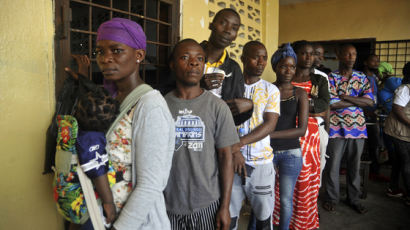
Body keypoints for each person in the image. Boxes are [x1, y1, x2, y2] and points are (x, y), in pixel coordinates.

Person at [93, 18, 175, 229]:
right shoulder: (109, 99)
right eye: (100, 52)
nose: (106, 59)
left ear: (139, 55)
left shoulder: (150, 106)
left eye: (116, 50)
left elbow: (151, 184)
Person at [163, 39, 238, 230]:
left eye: (199, 58)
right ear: (172, 64)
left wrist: (225, 206)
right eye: (185, 57)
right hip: (167, 205)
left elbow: (225, 157)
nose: (194, 62)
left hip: (207, 204)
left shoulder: (217, 107)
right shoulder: (160, 105)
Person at [228, 41, 280, 230]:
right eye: (255, 56)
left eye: (264, 57)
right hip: (231, 164)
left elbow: (270, 124)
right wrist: (233, 151)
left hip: (261, 164)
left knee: (264, 221)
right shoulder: (231, 87)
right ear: (242, 59)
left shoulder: (270, 90)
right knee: (229, 219)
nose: (261, 61)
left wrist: (238, 144)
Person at [279, 40, 329, 230]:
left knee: (306, 180)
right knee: (284, 181)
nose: (309, 57)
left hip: (311, 135)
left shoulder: (319, 80)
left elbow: (323, 107)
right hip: (287, 132)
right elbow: (278, 107)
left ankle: (303, 220)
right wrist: (308, 107)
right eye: (304, 53)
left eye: (312, 54)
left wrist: (298, 108)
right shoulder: (286, 76)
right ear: (294, 55)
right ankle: (283, 219)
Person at [323, 44, 374, 214]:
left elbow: (370, 101)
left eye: (354, 54)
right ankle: (332, 198)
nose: (352, 57)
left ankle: (354, 199)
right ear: (339, 56)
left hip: (358, 128)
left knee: (354, 165)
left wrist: (345, 97)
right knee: (332, 166)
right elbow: (332, 103)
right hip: (336, 128)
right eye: (348, 54)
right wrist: (356, 99)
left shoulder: (361, 77)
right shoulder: (331, 78)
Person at [270, 43, 309, 230]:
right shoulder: (266, 90)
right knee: (264, 197)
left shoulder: (300, 93)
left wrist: (269, 134)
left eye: (292, 67)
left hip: (291, 153)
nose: (288, 70)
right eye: (284, 66)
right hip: (267, 152)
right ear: (275, 67)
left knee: (285, 199)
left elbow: (301, 130)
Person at [73, 89, 119, 229]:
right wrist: (108, 202)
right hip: (88, 205)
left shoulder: (76, 130)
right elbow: (97, 170)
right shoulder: (92, 140)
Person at [200, 8, 253, 126]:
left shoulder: (234, 69)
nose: (228, 31)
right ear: (211, 25)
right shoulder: (190, 55)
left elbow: (234, 119)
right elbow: (167, 93)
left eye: (234, 28)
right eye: (223, 23)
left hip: (216, 135)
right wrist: (198, 86)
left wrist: (248, 108)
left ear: (235, 36)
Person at [383, 62, 410, 206]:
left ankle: (393, 188)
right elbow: (398, 109)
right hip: (399, 131)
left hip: (404, 131)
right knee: (406, 161)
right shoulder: (405, 89)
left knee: (400, 161)